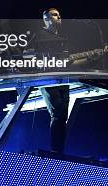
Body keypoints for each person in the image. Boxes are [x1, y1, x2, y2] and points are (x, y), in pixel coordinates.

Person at [37, 8, 69, 154]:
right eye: (55, 15)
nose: (59, 17)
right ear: (46, 19)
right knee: (57, 113)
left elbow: (67, 60)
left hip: (62, 78)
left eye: (59, 14)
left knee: (63, 115)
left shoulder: (63, 38)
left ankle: (59, 151)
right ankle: (56, 152)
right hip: (48, 77)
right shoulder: (40, 35)